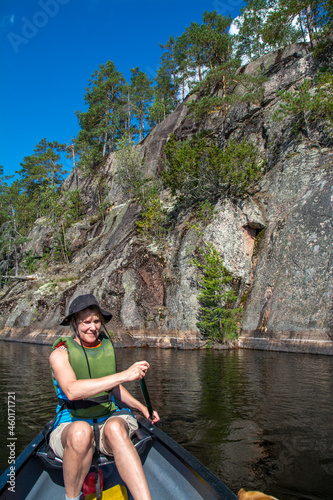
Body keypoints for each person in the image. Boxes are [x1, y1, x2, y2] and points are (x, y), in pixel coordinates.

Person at [49, 293, 160, 500]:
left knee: (116, 427)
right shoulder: (60, 353)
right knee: (81, 432)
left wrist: (141, 408)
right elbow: (72, 390)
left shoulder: (104, 346)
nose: (93, 327)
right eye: (86, 322)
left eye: (97, 321)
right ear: (74, 322)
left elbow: (113, 389)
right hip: (71, 426)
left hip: (107, 418)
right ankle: (71, 498)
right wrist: (125, 375)